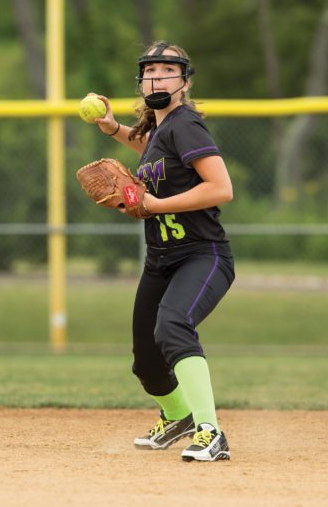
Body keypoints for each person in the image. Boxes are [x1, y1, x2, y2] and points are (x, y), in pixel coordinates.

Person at [88, 41, 235, 462]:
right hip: (161, 259)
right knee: (147, 361)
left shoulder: (186, 125)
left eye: (167, 71)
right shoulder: (162, 131)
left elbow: (220, 188)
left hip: (201, 254)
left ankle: (211, 431)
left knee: (173, 327)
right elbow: (155, 153)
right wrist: (114, 129)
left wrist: (155, 205)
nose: (156, 78)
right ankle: (178, 416)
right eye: (150, 71)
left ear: (185, 82)